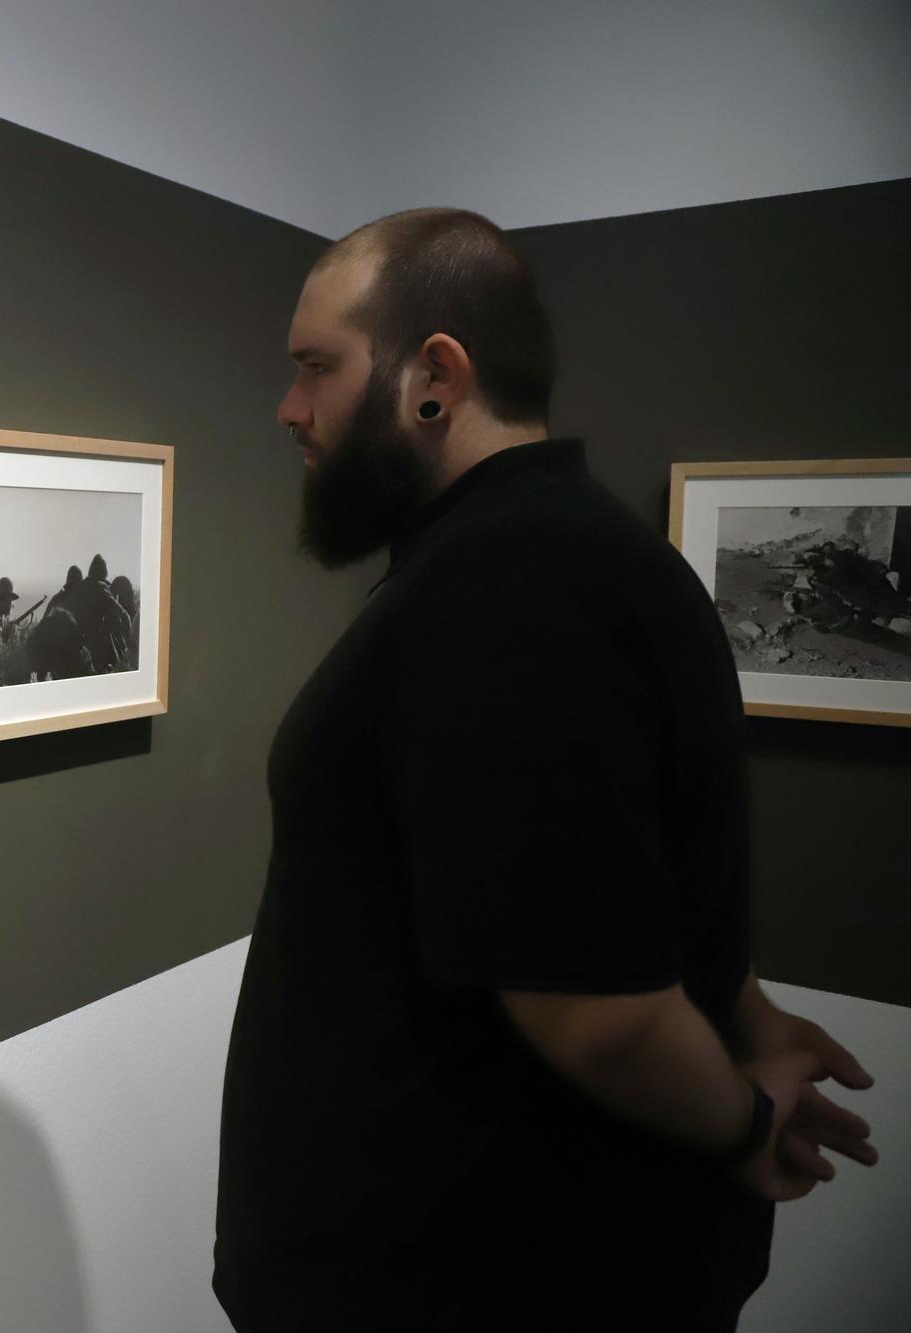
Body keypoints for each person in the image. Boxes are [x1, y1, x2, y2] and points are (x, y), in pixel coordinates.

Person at [213, 208, 878, 1331]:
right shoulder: (584, 559)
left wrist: (745, 1122)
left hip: (476, 1283)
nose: (289, 408)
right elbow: (614, 882)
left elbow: (596, 1012)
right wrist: (740, 1011)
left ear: (434, 376)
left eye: (314, 368)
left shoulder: (505, 591)